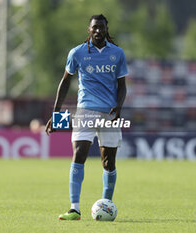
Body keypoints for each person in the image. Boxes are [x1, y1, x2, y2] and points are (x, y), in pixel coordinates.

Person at [45, 14, 128, 220]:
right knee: (79, 152)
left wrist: (118, 107)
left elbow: (122, 85)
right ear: (88, 30)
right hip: (85, 110)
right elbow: (65, 82)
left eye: (102, 27)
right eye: (95, 28)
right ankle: (75, 208)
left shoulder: (117, 54)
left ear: (106, 29)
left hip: (108, 112)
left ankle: (106, 204)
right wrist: (56, 114)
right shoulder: (78, 53)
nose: (98, 31)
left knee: (108, 161)